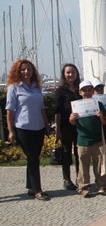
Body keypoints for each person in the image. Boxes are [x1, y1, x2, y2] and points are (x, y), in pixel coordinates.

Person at [5, 60, 51, 201]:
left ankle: (31, 187)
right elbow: (10, 111)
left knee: (34, 158)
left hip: (38, 128)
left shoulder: (36, 87)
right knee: (33, 158)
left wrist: (47, 125)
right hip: (23, 128)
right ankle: (37, 190)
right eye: (23, 69)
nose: (26, 72)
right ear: (18, 71)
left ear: (33, 71)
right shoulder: (14, 88)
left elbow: (41, 107)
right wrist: (10, 130)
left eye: (29, 69)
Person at [69, 81, 106, 198]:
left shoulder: (99, 104)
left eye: (89, 90)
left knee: (99, 164)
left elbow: (104, 123)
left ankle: (102, 185)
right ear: (80, 92)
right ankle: (83, 187)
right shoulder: (76, 105)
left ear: (93, 91)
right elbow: (73, 122)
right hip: (83, 140)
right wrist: (71, 118)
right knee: (83, 165)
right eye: (84, 90)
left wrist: (102, 116)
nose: (87, 92)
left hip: (97, 139)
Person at [54, 63, 81, 191]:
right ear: (64, 74)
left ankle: (79, 178)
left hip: (79, 127)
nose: (71, 75)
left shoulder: (79, 90)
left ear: (77, 74)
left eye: (73, 72)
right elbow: (57, 111)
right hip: (65, 126)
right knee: (66, 153)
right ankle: (67, 179)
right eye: (68, 72)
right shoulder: (60, 91)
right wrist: (57, 130)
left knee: (79, 153)